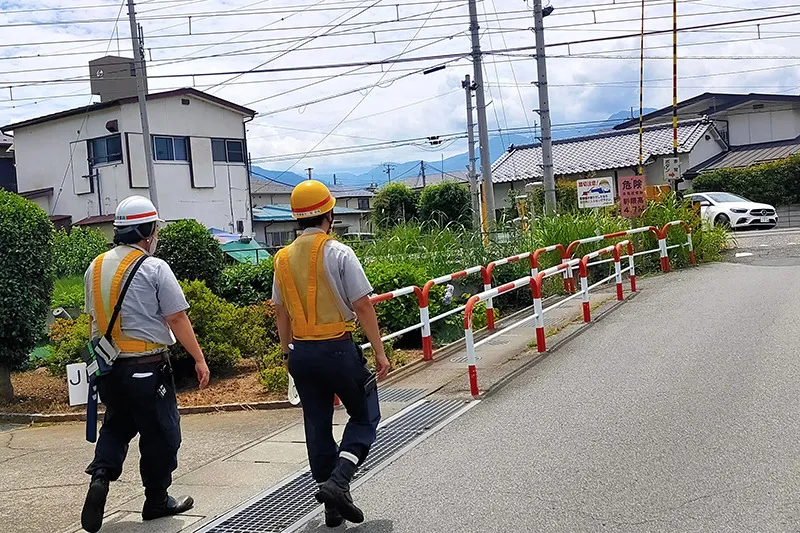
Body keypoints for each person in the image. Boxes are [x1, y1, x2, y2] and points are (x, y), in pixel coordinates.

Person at [80, 196, 211, 533]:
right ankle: (156, 499)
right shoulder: (153, 267)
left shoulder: (93, 268)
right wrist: (198, 358)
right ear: (148, 230)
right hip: (147, 367)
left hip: (109, 369)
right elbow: (177, 317)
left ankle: (100, 477)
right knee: (162, 433)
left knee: (117, 426)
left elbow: (94, 320)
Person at [273, 180, 390, 527]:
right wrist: (381, 353)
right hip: (338, 348)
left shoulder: (281, 258)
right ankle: (339, 482)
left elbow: (280, 312)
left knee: (317, 423)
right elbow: (362, 305)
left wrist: (287, 354)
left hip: (301, 353)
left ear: (297, 219)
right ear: (330, 214)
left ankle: (332, 506)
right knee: (365, 414)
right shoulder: (339, 252)